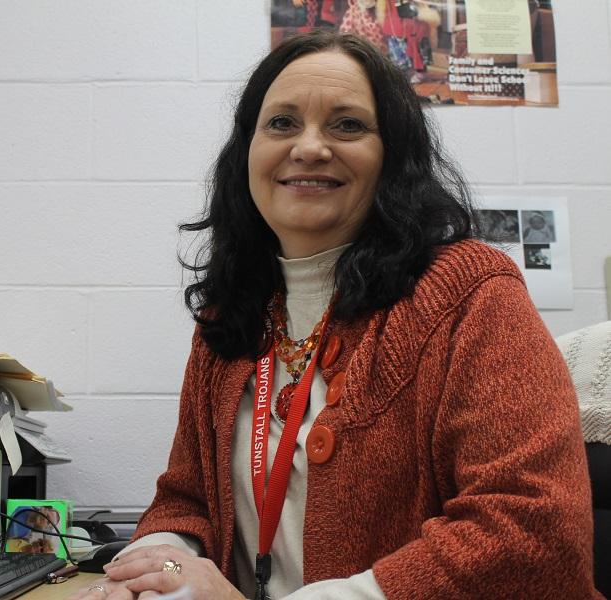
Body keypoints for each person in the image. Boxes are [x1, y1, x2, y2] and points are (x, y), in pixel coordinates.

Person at [69, 32, 598, 600]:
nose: (310, 148)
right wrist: (155, 573)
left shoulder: (471, 294)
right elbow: (187, 500)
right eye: (282, 123)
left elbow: (534, 534)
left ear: (393, 157)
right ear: (247, 150)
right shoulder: (233, 314)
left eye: (347, 125)